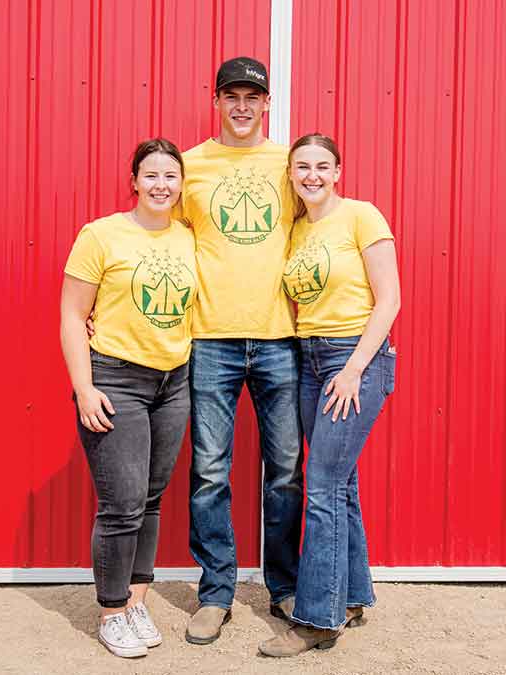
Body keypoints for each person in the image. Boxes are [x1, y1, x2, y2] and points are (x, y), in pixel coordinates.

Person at [259, 133, 400, 657]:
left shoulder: (363, 216)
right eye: (302, 167)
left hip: (354, 356)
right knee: (339, 484)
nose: (312, 175)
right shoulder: (295, 229)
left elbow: (389, 298)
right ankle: (354, 594)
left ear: (338, 171)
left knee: (320, 486)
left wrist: (354, 369)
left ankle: (318, 618)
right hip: (309, 358)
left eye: (322, 165)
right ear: (292, 174)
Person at [181, 57, 304, 645]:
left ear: (267, 103)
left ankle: (283, 586)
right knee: (209, 471)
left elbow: (323, 228)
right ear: (216, 101)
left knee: (284, 472)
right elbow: (164, 235)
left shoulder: (289, 163)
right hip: (210, 338)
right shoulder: (190, 165)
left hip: (280, 335)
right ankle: (216, 592)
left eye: (252, 96)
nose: (242, 106)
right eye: (231, 95)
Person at [60, 138, 197, 659]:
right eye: (152, 175)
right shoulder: (100, 236)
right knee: (120, 505)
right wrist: (84, 386)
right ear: (134, 181)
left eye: (171, 176)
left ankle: (137, 600)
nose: (162, 185)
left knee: (151, 498)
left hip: (174, 381)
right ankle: (112, 611)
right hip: (116, 379)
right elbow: (73, 315)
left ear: (181, 185)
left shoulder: (188, 237)